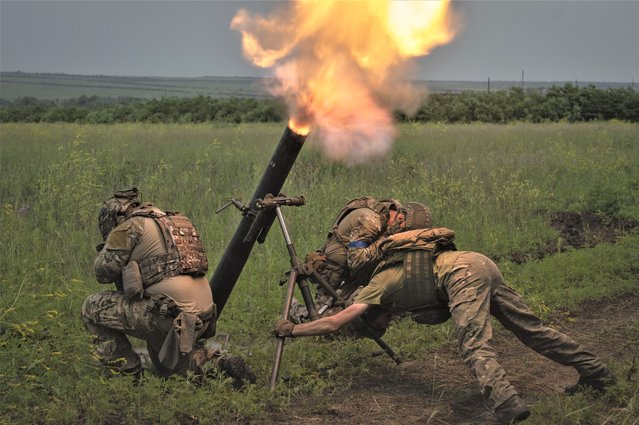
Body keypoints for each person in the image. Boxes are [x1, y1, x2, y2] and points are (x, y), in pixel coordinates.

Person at [275, 204, 616, 424]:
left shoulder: (380, 281)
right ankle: (596, 371)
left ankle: (506, 404)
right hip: (479, 262)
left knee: (473, 343)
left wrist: (292, 330)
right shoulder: (418, 257)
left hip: (462, 277)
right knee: (531, 329)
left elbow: (337, 321)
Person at [81, 188, 254, 387]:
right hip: (202, 315)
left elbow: (103, 272)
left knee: (91, 307)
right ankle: (218, 363)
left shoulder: (129, 226)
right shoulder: (176, 221)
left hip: (168, 316)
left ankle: (125, 375)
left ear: (114, 218)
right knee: (167, 369)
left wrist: (107, 245)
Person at [291, 197, 426, 326]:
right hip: (335, 273)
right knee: (319, 323)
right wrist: (386, 239)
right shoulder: (369, 220)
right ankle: (293, 308)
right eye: (405, 232)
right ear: (400, 218)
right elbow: (356, 260)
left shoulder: (390, 216)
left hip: (355, 273)